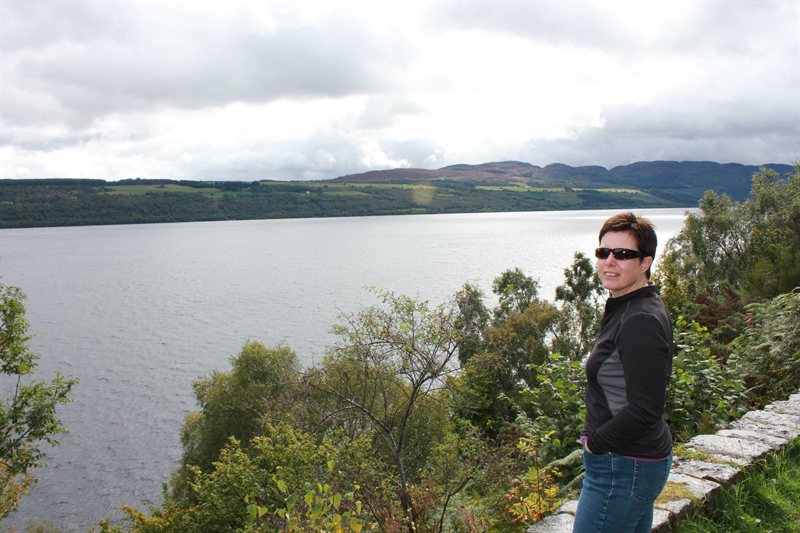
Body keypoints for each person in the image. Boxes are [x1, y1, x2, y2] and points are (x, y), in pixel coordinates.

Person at [572, 212, 674, 533]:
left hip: (622, 465)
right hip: (630, 463)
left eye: (623, 254)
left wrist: (596, 444)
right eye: (603, 252)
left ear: (645, 262)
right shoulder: (628, 305)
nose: (610, 262)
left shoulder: (639, 319)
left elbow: (645, 408)